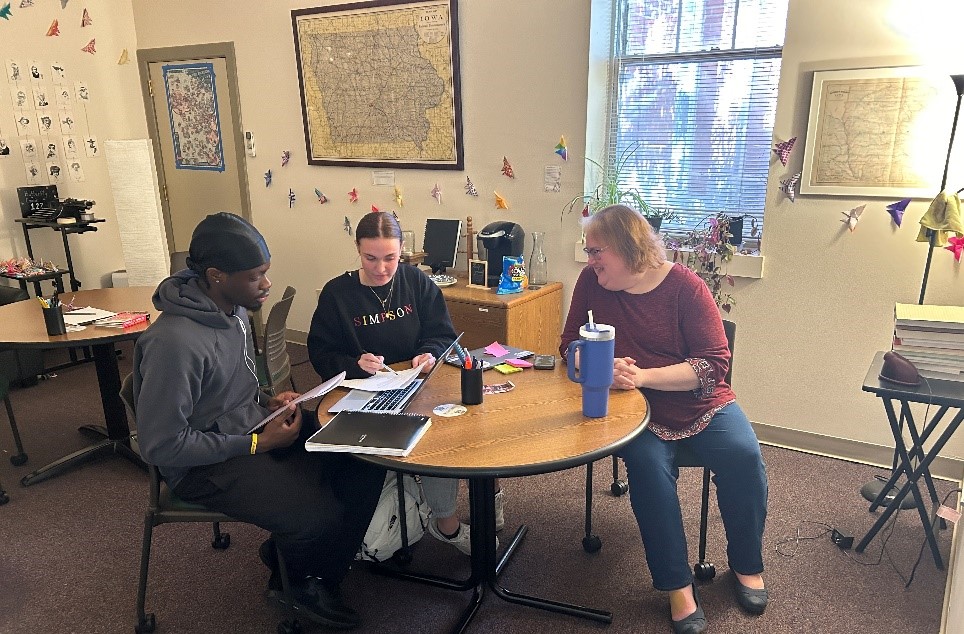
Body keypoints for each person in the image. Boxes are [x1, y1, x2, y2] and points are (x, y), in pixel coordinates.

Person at [134, 212, 385, 630]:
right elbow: (160, 445)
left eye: (265, 273)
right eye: (256, 277)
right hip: (203, 465)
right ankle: (298, 584)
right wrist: (258, 445)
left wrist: (269, 401)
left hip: (249, 430)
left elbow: (228, 389)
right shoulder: (173, 344)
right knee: (317, 514)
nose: (266, 285)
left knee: (359, 450)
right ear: (216, 275)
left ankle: (292, 556)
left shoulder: (230, 310)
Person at [559, 205, 768, 634]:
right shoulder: (591, 284)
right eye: (588, 250)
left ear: (627, 248)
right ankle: (677, 586)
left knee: (745, 456)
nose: (590, 258)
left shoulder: (685, 287)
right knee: (649, 470)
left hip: (700, 403)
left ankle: (747, 564)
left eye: (597, 250)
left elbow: (713, 365)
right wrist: (599, 366)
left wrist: (641, 375)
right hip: (635, 412)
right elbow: (567, 346)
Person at [308, 211, 507, 555]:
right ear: (357, 249)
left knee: (444, 430)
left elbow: (441, 334)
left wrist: (428, 354)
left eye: (391, 258)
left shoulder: (416, 282)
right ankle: (435, 519)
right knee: (413, 439)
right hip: (363, 395)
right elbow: (320, 353)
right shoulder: (337, 294)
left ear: (402, 251)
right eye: (370, 258)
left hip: (418, 387)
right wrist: (352, 363)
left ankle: (445, 522)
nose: (381, 268)